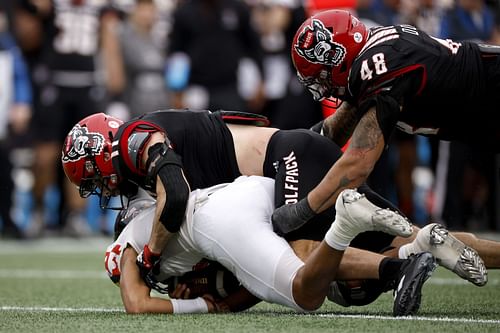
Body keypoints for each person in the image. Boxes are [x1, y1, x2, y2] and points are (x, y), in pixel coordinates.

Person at [61, 109, 490, 299]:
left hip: (286, 160)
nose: (102, 187)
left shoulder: (137, 136)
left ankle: (405, 264)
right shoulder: (144, 138)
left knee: (301, 258)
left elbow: (175, 197)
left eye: (95, 177)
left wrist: (151, 256)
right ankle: (425, 249)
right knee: (407, 235)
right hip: (293, 155)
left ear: (102, 152)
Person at [272, 9, 500, 238]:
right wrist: (292, 149)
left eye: (322, 77)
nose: (324, 87)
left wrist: (299, 212)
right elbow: (333, 131)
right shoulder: (373, 57)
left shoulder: (377, 65)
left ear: (337, 57)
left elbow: (357, 164)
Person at [104, 174, 432, 315]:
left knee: (306, 294)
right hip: (251, 189)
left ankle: (345, 225)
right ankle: (403, 259)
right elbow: (252, 286)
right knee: (310, 264)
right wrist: (227, 304)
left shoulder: (127, 242)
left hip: (220, 222)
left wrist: (204, 306)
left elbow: (137, 305)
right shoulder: (159, 220)